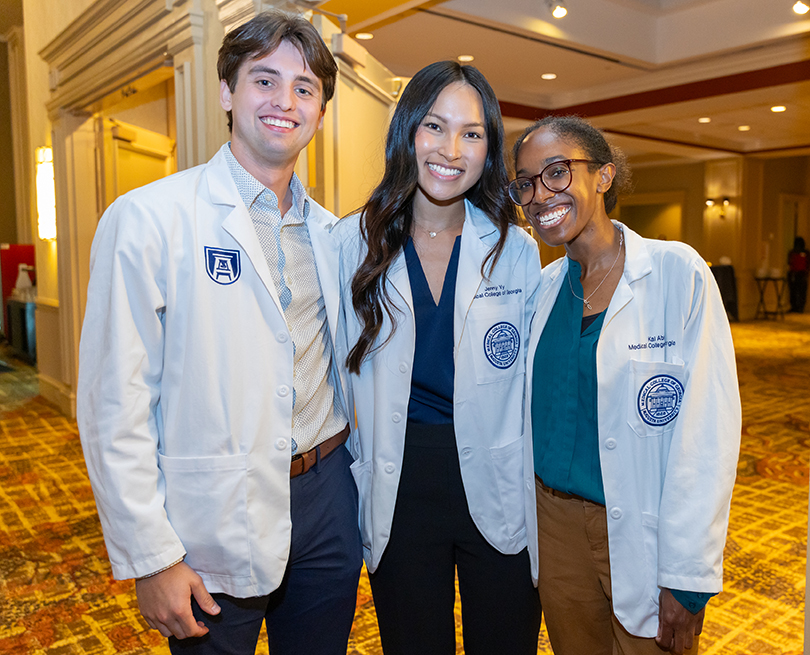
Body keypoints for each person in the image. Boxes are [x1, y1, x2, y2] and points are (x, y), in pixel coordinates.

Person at [77, 11, 361, 655]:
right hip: (211, 514)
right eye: (264, 80)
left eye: (304, 88)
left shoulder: (334, 234)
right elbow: (114, 402)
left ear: (319, 113)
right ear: (228, 93)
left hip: (327, 502)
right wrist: (152, 557)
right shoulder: (149, 218)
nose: (284, 101)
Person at [510, 116, 741, 655]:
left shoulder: (677, 273)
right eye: (525, 183)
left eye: (557, 172)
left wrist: (686, 575)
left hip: (642, 525)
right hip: (555, 527)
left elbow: (707, 434)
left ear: (604, 176)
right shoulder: (542, 290)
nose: (540, 195)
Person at [335, 61, 542, 655]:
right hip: (399, 483)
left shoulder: (515, 249)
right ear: (407, 131)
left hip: (496, 479)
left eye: (471, 133)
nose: (451, 149)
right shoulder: (352, 243)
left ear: (488, 148)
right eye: (434, 126)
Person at [787, 236, 809, 313]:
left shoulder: (803, 253)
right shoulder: (794, 253)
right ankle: (797, 307)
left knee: (797, 292)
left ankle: (798, 307)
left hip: (799, 274)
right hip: (797, 274)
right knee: (797, 292)